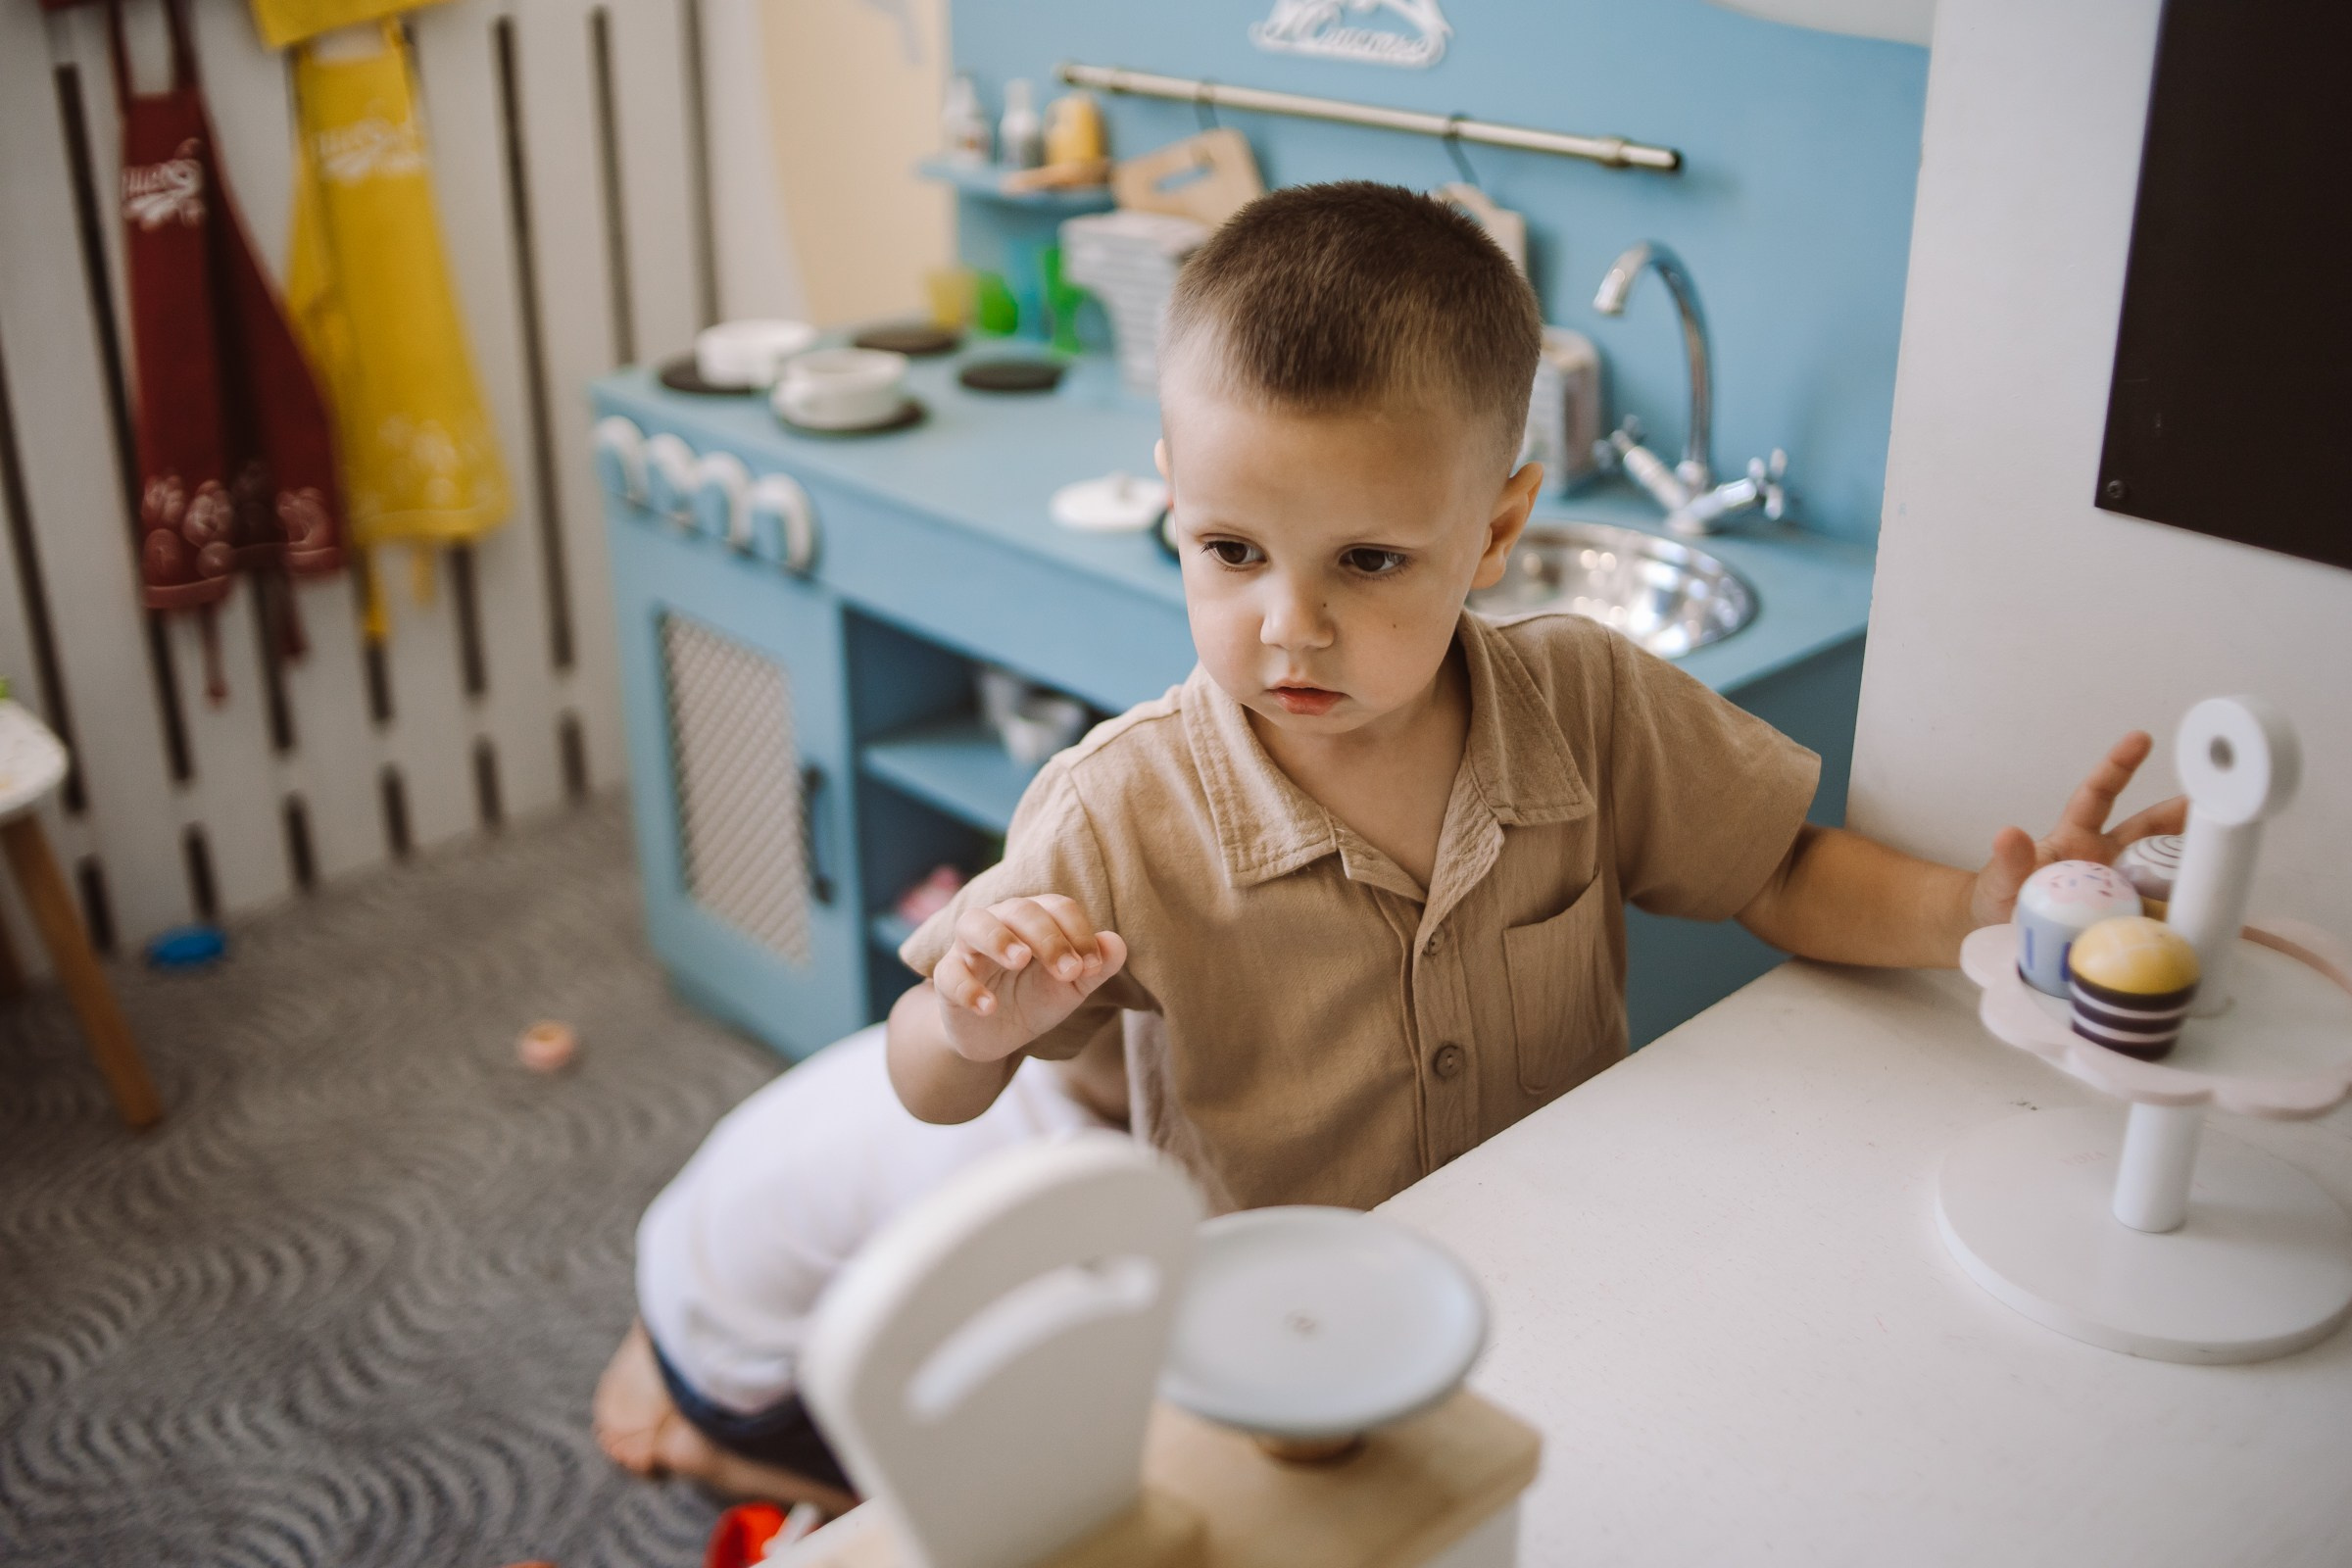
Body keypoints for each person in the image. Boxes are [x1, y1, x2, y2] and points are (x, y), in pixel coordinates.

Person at [885, 180, 2183, 1214]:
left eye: (1370, 561)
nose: (1291, 628)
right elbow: (930, 1083)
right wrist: (972, 1022)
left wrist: (1973, 912)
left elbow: (1779, 872)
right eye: (1228, 550)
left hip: (1572, 1252)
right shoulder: (1115, 808)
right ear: (1174, 494)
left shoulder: (1589, 698)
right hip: (1289, 1340)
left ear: (1497, 528)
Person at [592, 1020, 1128, 1506]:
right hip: (741, 1372)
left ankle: (664, 1340)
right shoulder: (1065, 1172)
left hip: (680, 1243)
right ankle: (710, 1456)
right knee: (967, 1503)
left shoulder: (973, 1040)